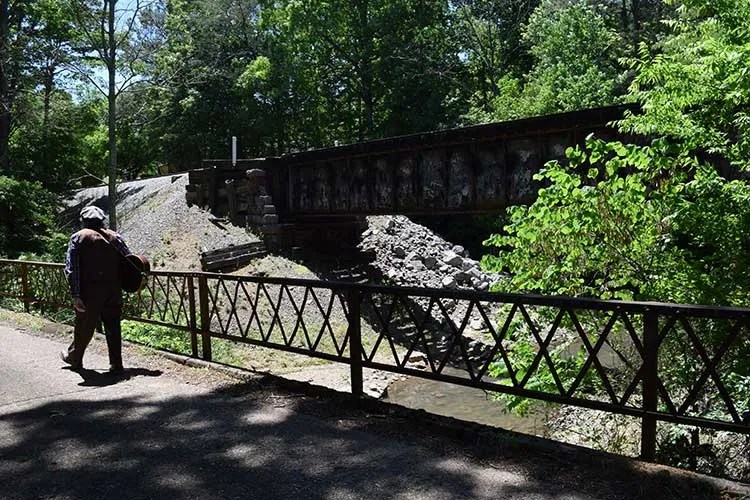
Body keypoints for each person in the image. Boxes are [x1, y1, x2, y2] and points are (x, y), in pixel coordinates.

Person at [61, 205, 132, 373]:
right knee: (113, 327)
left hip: (89, 291)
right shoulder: (116, 237)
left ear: (83, 221)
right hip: (113, 290)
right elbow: (130, 260)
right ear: (102, 220)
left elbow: (72, 269)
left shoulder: (78, 237)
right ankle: (116, 364)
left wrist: (76, 294)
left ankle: (75, 359)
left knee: (84, 326)